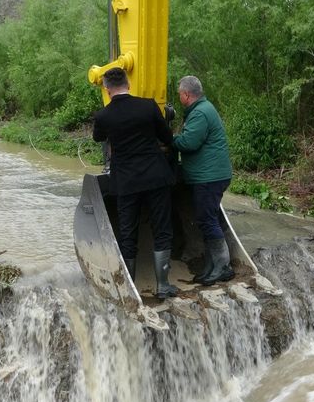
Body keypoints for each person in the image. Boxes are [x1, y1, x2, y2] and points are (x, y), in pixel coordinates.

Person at [92, 67, 179, 299]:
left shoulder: (103, 116)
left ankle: (130, 289)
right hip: (155, 177)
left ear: (107, 89)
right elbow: (167, 137)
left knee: (128, 232)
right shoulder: (148, 106)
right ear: (128, 83)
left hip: (126, 181)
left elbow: (98, 137)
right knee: (162, 228)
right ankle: (163, 285)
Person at [173, 75, 235, 286]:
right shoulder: (205, 108)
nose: (179, 97)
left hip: (209, 177)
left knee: (207, 220)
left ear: (187, 95)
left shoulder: (199, 113)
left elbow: (189, 142)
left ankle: (222, 267)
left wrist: (170, 140)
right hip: (213, 174)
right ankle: (212, 266)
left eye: (180, 94)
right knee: (209, 218)